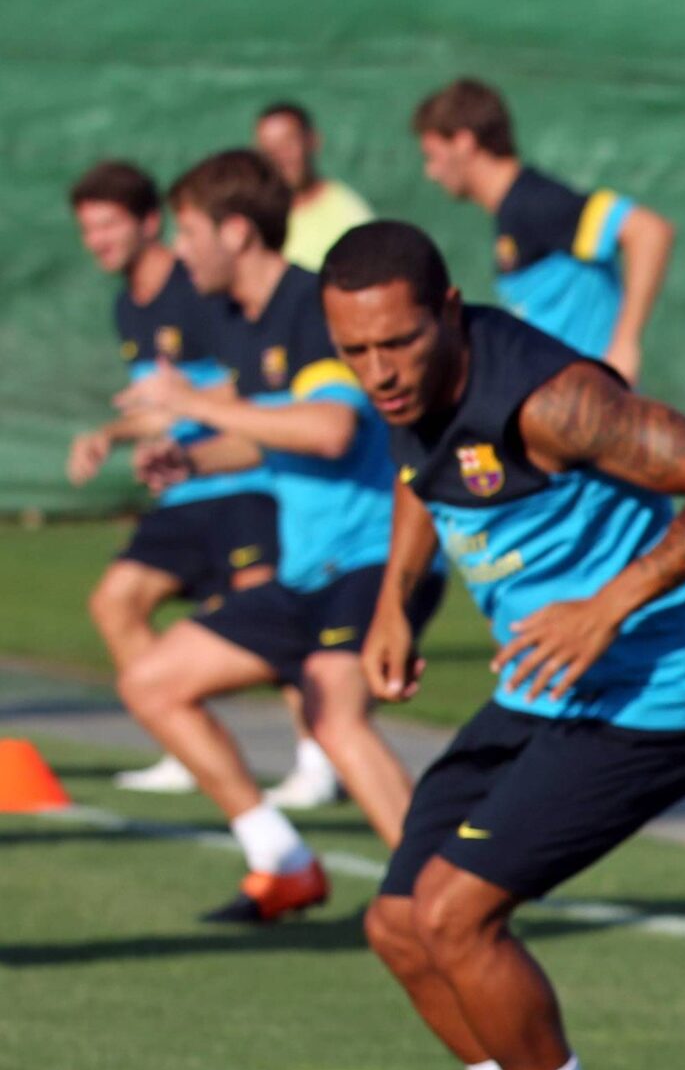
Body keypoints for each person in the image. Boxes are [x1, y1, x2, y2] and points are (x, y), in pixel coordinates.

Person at [321, 220, 685, 1070]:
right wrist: (397, 603)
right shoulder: (404, 392)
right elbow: (417, 475)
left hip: (659, 697)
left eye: (398, 345)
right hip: (544, 689)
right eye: (356, 353)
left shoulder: (555, 402)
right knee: (395, 925)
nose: (380, 372)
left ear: (449, 309)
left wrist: (606, 607)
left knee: (456, 912)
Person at [110, 151, 418, 921]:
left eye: (190, 230)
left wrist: (199, 407)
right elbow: (269, 437)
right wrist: (191, 456)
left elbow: (329, 428)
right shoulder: (246, 322)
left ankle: (437, 901)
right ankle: (280, 860)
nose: (180, 250)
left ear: (237, 231)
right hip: (308, 567)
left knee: (335, 719)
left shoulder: (312, 310)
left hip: (374, 562)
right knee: (153, 682)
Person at [62, 159, 278, 800]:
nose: (96, 241)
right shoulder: (127, 306)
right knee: (113, 602)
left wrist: (175, 415)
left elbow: (239, 386)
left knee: (272, 616)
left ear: (148, 223)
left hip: (246, 480)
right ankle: (183, 745)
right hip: (185, 488)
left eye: (107, 225)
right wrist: (113, 433)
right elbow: (162, 400)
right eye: (87, 230)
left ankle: (321, 760)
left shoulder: (203, 287)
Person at [411, 79, 674, 382]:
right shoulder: (512, 211)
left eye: (433, 155)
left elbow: (650, 231)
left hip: (594, 403)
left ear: (464, 142)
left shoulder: (534, 202)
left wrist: (625, 344)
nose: (430, 172)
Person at [254, 101, 374, 273]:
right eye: (268, 149)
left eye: (288, 143)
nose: (279, 157)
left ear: (312, 141)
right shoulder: (252, 220)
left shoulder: (349, 215)